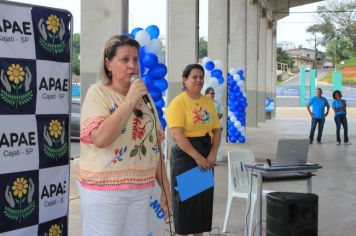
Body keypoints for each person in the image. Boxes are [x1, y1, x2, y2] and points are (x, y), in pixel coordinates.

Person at [77, 35, 171, 236]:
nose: (132, 65)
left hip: (140, 191)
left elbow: (155, 149)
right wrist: (129, 101)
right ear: (108, 64)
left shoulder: (145, 100)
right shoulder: (98, 93)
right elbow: (101, 139)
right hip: (105, 192)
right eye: (125, 59)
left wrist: (166, 187)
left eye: (136, 59)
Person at [166, 64, 221, 236]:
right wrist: (198, 157)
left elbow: (217, 131)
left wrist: (212, 154)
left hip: (206, 154)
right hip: (187, 156)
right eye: (194, 77)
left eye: (201, 77)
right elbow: (178, 136)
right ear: (185, 80)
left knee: (201, 205)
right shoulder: (178, 103)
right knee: (186, 205)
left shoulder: (208, 102)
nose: (198, 80)